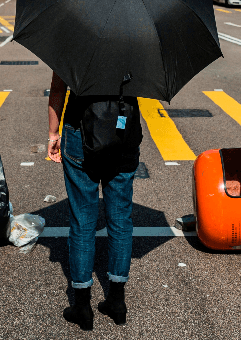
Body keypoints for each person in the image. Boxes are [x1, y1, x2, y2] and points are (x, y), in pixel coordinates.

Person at [47, 72, 142, 331]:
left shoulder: (74, 35)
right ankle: (117, 301)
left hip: (80, 131)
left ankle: (82, 306)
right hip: (124, 131)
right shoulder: (138, 36)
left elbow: (58, 89)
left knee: (83, 220)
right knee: (121, 219)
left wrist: (53, 134)